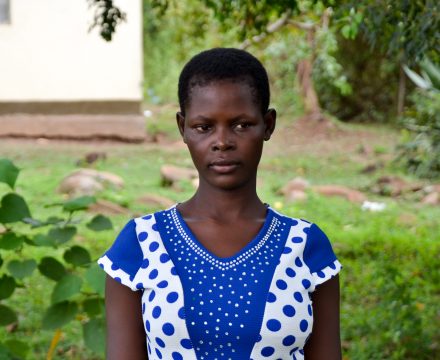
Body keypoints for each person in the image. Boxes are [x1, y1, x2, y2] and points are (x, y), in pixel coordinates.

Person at [98, 48, 342, 360]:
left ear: (267, 125)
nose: (222, 141)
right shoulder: (140, 245)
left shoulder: (306, 247)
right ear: (183, 128)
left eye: (241, 125)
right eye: (204, 127)